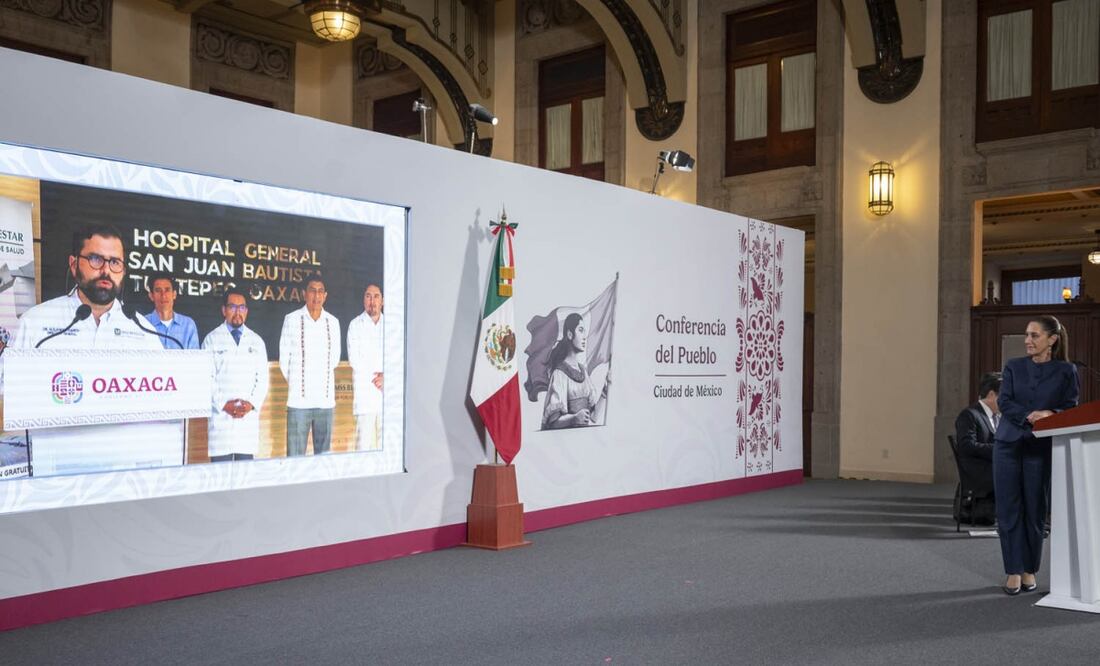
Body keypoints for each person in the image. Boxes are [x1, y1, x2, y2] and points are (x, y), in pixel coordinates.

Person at [994, 315, 1079, 595]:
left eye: (1034, 336)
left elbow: (1070, 406)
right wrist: (1030, 416)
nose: (1028, 341)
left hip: (1039, 448)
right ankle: (1013, 571)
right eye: (1027, 335)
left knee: (1035, 510)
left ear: (1052, 340)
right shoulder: (1014, 367)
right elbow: (1004, 401)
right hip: (1007, 445)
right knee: (1008, 510)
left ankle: (1029, 569)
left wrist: (1051, 414)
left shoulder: (1067, 371)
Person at [11, 223, 161, 351]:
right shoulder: (34, 322)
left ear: (123, 271)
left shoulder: (145, 332)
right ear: (74, 264)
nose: (106, 270)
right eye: (95, 259)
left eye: (115, 262)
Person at [202, 287, 269, 462]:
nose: (237, 312)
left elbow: (262, 380)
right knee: (220, 478)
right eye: (232, 307)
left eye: (242, 308)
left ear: (246, 311)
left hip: (247, 422)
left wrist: (251, 404)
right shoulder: (211, 339)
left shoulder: (257, 341)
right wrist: (224, 404)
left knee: (244, 477)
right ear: (224, 310)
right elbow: (206, 378)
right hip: (221, 420)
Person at [278, 276, 341, 456]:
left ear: (325, 296)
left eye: (320, 291)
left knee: (324, 458)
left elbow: (335, 359)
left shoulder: (333, 322)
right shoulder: (291, 319)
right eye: (312, 290)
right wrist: (300, 387)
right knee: (295, 458)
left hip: (325, 402)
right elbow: (284, 361)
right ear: (304, 294)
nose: (316, 295)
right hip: (299, 402)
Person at [541, 313, 609, 429]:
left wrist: (605, 390)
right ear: (570, 334)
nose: (584, 337)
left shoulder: (583, 371)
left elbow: (594, 417)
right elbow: (552, 423)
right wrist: (574, 418)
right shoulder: (559, 374)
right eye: (580, 330)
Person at [953, 372, 1002, 521]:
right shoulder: (969, 415)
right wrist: (998, 449)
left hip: (990, 465)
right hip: (977, 470)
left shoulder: (997, 417)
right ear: (992, 394)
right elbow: (967, 446)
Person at [347, 284, 384, 451]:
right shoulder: (355, 325)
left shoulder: (392, 326)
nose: (372, 301)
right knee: (363, 448)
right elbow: (356, 360)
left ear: (382, 301)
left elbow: (397, 358)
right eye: (368, 296)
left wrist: (387, 378)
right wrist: (377, 377)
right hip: (365, 397)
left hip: (387, 396)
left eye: (376, 296)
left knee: (387, 448)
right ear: (364, 300)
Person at [143, 272, 199, 350]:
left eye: (167, 290)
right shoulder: (142, 323)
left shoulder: (188, 325)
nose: (163, 295)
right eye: (158, 290)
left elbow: (195, 360)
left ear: (174, 294)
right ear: (151, 296)